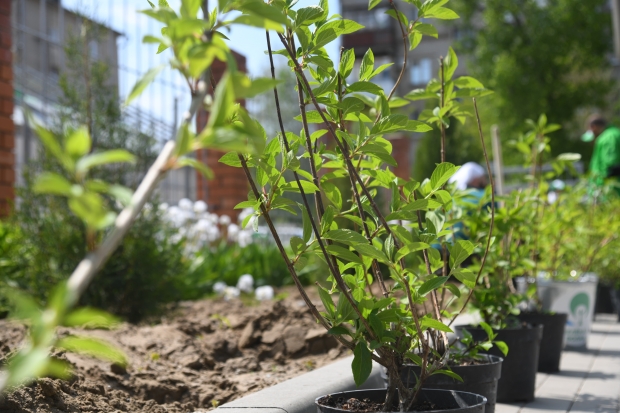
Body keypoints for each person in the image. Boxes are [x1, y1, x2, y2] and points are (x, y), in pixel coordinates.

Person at [581, 115, 620, 193]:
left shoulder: (608, 137)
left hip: (608, 190)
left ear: (593, 127)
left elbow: (611, 165)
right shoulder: (615, 133)